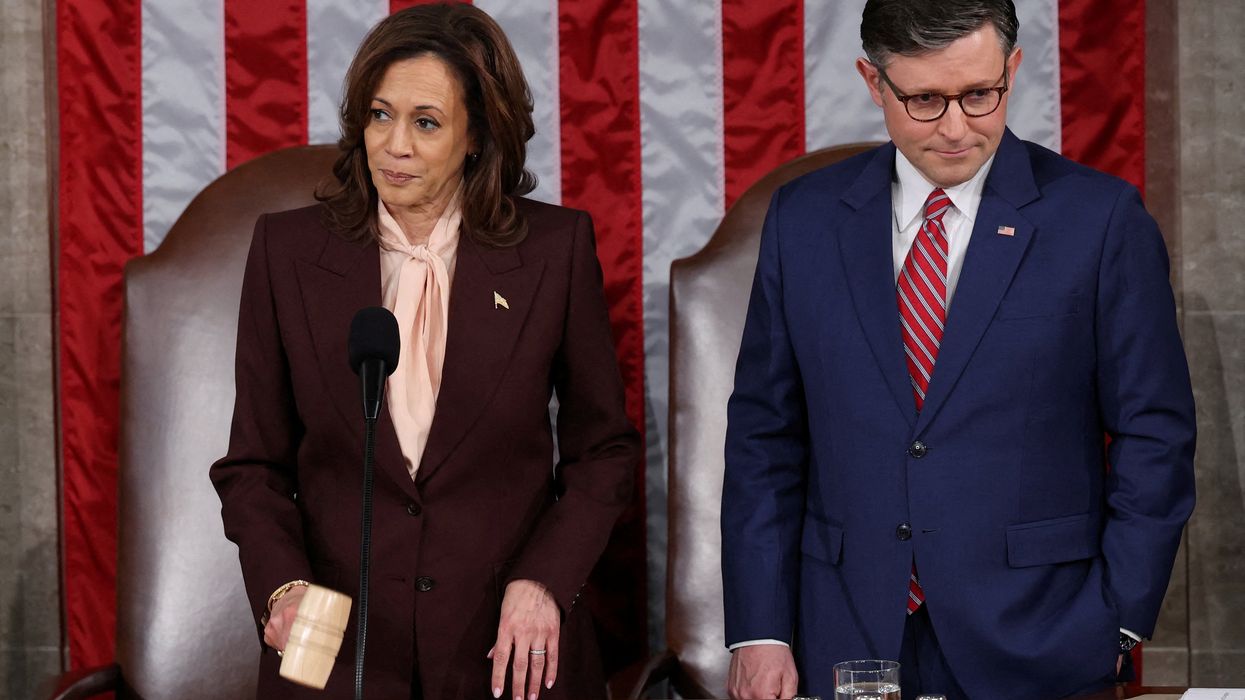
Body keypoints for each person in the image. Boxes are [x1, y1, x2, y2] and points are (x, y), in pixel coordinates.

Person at [720, 1, 1196, 698]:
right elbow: (764, 438)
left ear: (1011, 69)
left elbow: (1154, 432)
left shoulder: (1099, 222)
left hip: (1041, 636)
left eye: (979, 94)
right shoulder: (804, 221)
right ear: (871, 81)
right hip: (843, 636)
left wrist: (1117, 620)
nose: (954, 127)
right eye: (922, 99)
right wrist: (761, 630)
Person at [210, 4, 639, 699]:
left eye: (426, 122)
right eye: (380, 116)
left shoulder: (552, 252)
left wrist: (544, 583)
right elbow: (252, 465)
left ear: (477, 135)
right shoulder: (287, 252)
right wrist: (283, 588)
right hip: (339, 654)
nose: (394, 145)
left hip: (506, 652)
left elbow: (603, 453)